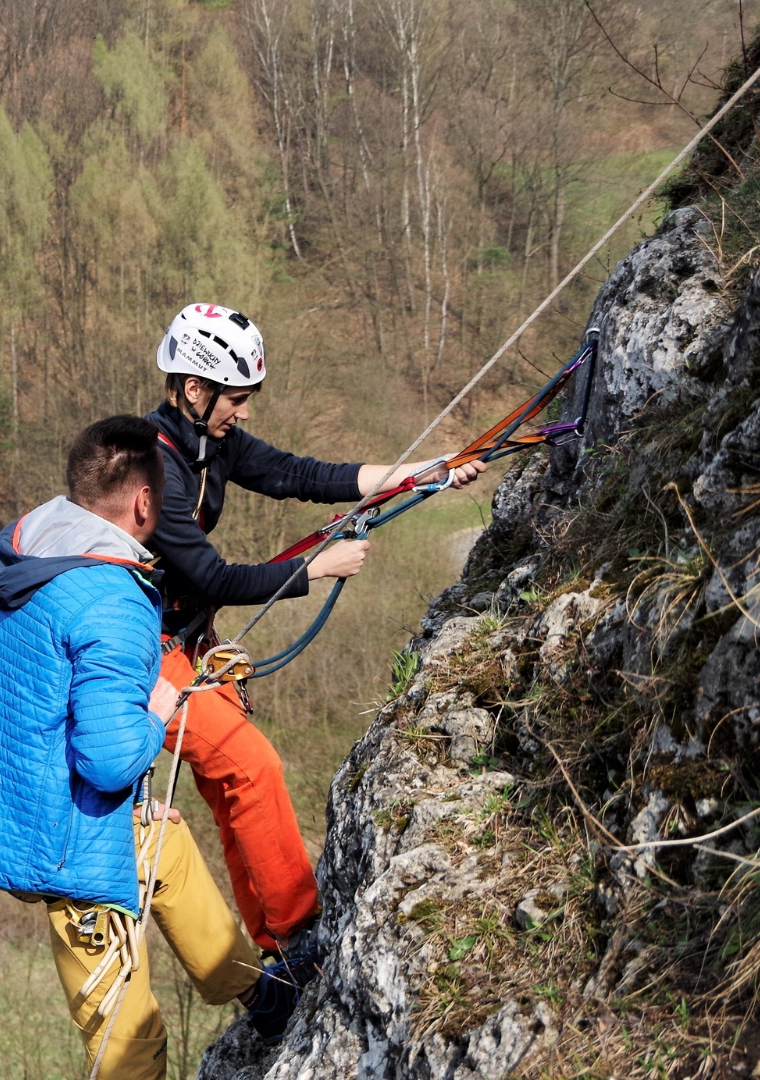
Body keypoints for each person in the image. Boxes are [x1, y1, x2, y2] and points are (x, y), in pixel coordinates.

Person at [0, 415, 310, 1080]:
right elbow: (108, 757)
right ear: (142, 504)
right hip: (54, 839)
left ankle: (261, 992)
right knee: (129, 1033)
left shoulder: (31, 549)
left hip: (0, 798)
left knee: (166, 852)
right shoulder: (115, 600)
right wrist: (157, 710)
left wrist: (131, 803)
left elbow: (54, 702)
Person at [145, 302, 486, 959]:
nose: (243, 412)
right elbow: (211, 577)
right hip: (128, 654)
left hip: (176, 641)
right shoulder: (154, 467)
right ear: (194, 389)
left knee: (233, 781)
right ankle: (300, 939)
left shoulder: (208, 446)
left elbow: (301, 476)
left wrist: (424, 473)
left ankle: (273, 950)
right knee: (253, 766)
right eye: (236, 399)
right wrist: (313, 570)